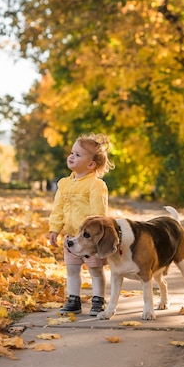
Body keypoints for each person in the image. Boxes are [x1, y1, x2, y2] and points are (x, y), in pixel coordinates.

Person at [49, 132, 115, 316]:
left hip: (89, 240)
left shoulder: (96, 185)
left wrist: (98, 238)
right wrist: (54, 228)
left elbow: (99, 214)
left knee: (95, 270)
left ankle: (98, 300)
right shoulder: (64, 184)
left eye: (78, 155)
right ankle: (73, 300)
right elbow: (58, 208)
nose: (71, 156)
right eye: (72, 152)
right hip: (71, 237)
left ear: (91, 164)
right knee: (71, 270)